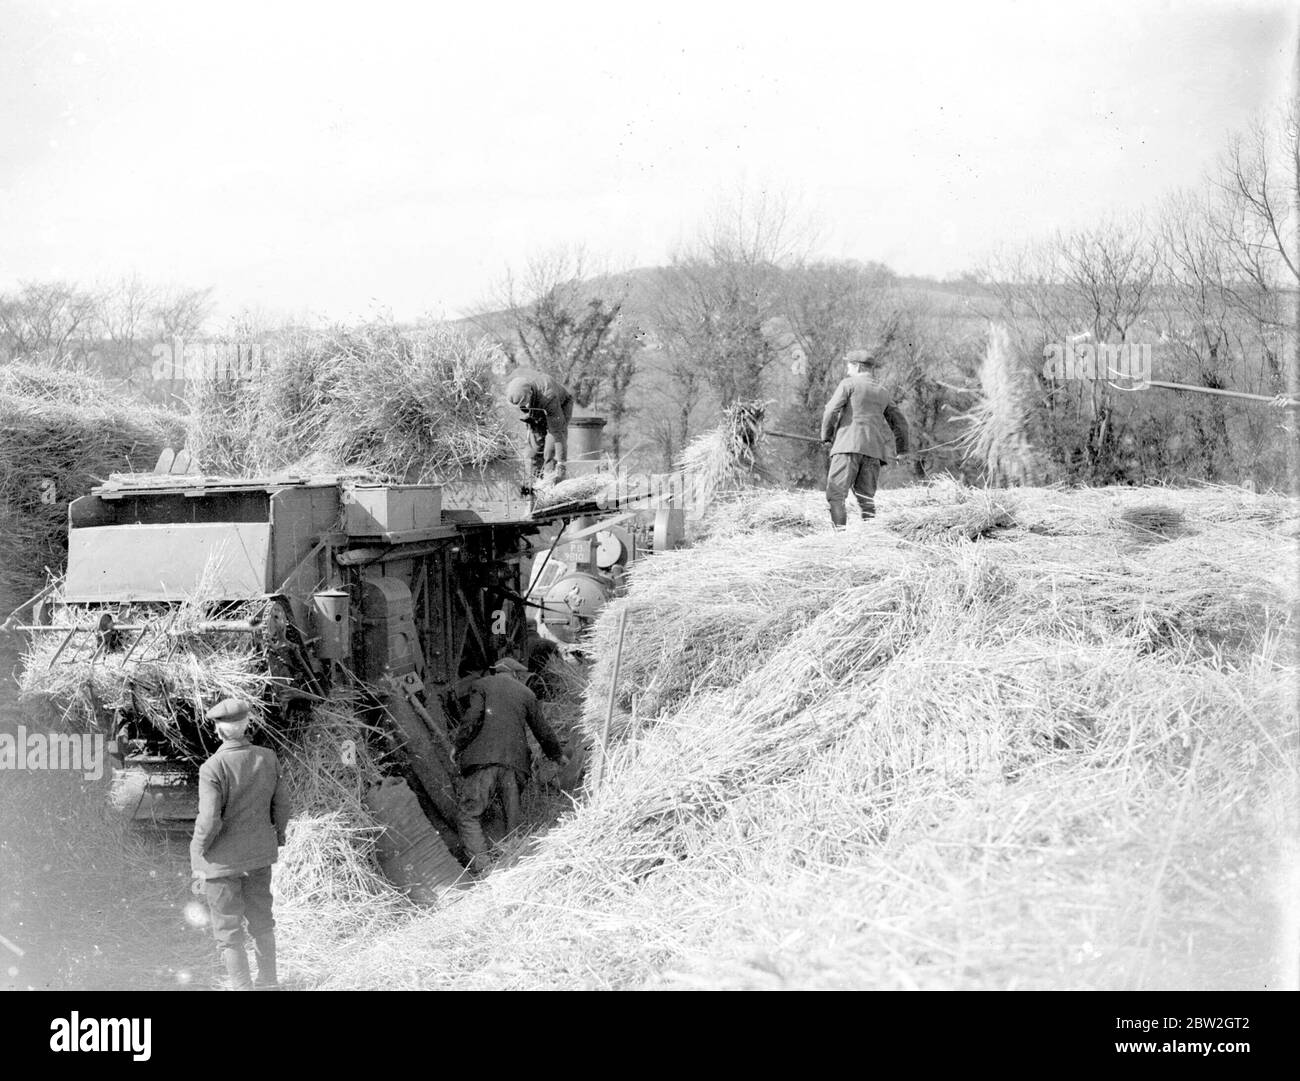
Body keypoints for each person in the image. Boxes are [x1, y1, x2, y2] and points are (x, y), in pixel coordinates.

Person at [190, 698, 292, 991]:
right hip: (259, 858)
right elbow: (282, 805)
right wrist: (279, 835)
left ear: (218, 732)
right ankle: (269, 983)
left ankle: (243, 988)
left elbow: (210, 820)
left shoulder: (212, 767)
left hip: (222, 864)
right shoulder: (267, 757)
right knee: (262, 921)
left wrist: (197, 849)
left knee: (228, 930)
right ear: (247, 725)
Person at [453, 657, 568, 872]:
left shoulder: (482, 685)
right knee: (511, 824)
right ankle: (511, 870)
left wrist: (458, 746)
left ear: (497, 671)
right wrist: (557, 755)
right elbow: (542, 731)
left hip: (484, 762)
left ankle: (485, 868)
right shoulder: (527, 694)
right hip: (516, 767)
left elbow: (472, 719)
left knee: (469, 813)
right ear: (515, 674)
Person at [820, 350, 909, 528]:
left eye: (849, 365)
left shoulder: (848, 384)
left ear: (858, 366)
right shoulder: (882, 392)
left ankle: (839, 538)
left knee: (836, 495)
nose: (847, 369)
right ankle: (870, 536)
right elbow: (900, 423)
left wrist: (826, 437)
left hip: (847, 446)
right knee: (866, 499)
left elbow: (831, 410)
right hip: (874, 452)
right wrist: (902, 450)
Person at [503, 367, 574, 481]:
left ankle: (549, 479)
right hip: (537, 407)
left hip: (561, 404)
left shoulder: (548, 395)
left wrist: (561, 463)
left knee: (550, 449)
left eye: (524, 403)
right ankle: (534, 483)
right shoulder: (513, 385)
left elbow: (557, 433)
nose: (523, 407)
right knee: (534, 450)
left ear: (530, 394)